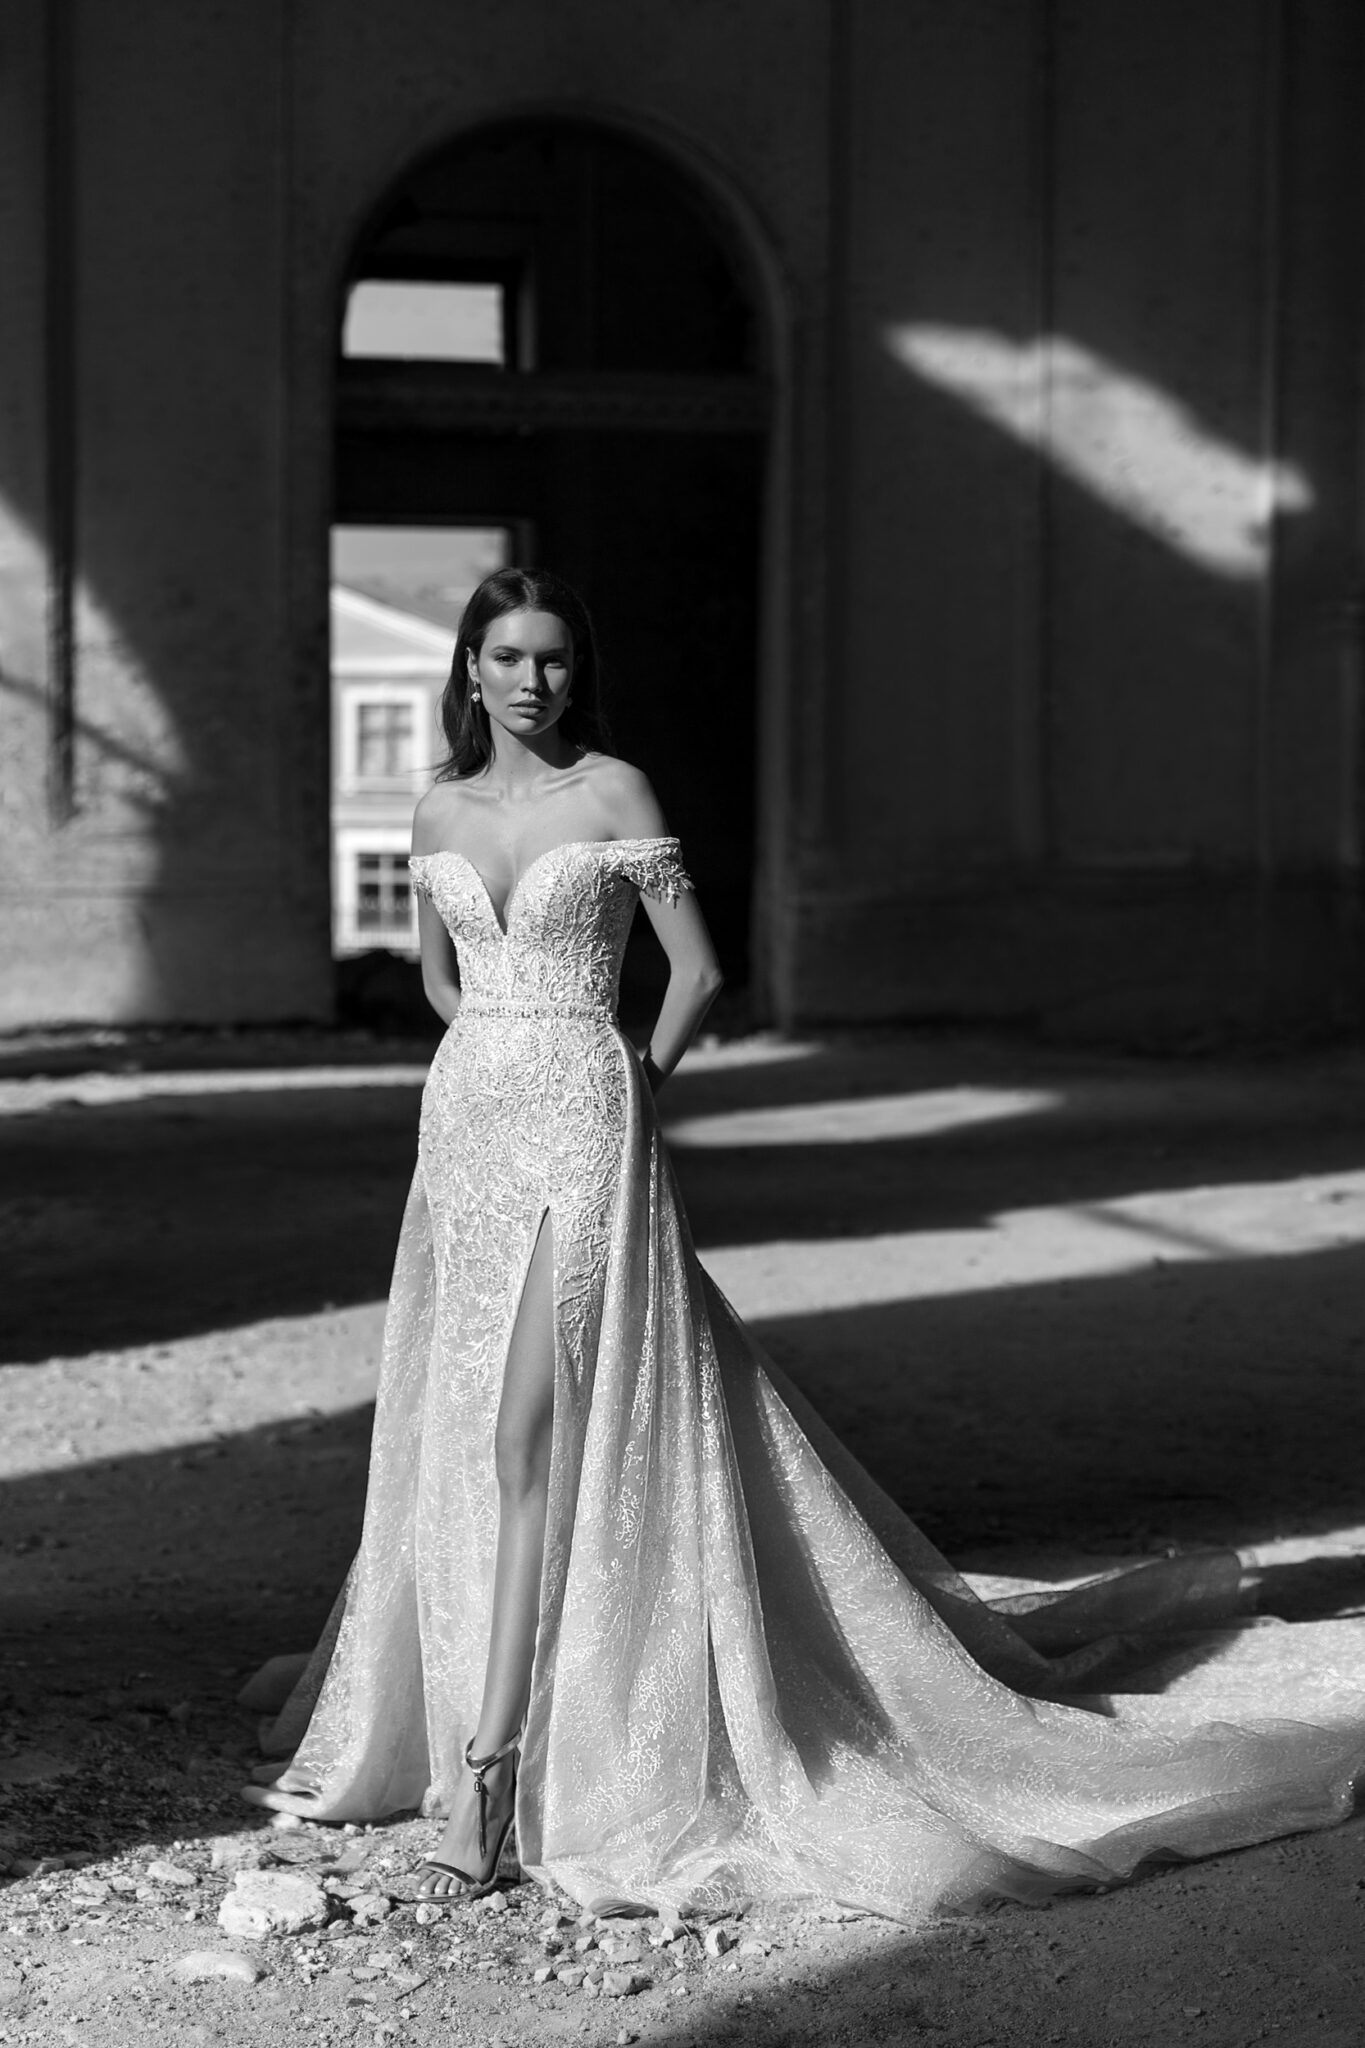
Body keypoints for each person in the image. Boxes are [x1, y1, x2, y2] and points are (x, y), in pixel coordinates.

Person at [243, 567, 1365, 1923]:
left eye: (554, 658)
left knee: (531, 1427)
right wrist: (493, 1040)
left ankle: (491, 1766)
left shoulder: (615, 791)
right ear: (468, 669)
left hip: (586, 1119)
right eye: (508, 657)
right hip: (470, 1121)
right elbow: (436, 975)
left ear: (574, 670)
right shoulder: (436, 808)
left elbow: (700, 971)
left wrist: (627, 1076)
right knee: (477, 1419)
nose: (533, 681)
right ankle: (493, 1714)